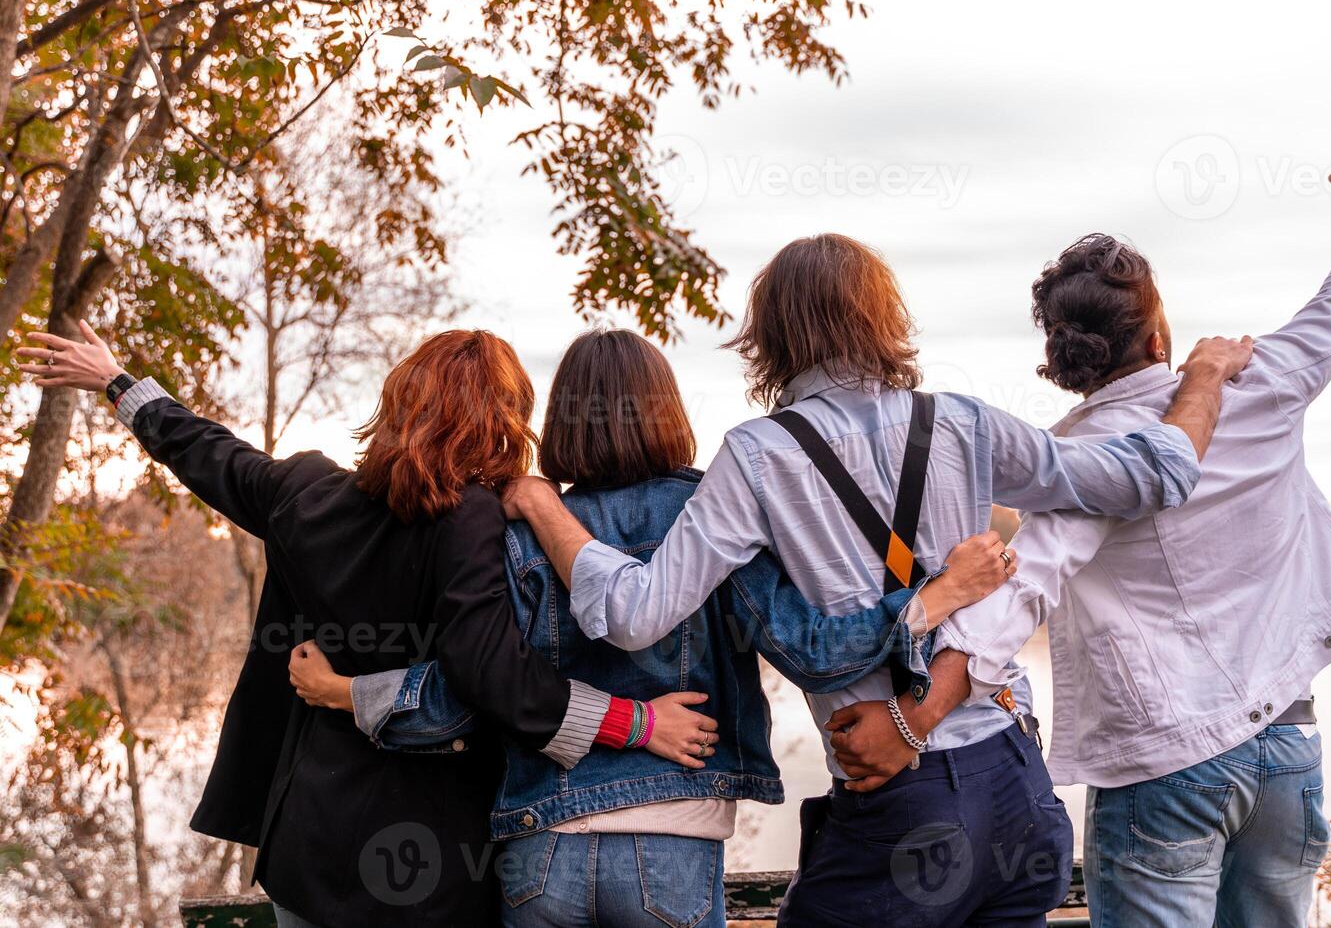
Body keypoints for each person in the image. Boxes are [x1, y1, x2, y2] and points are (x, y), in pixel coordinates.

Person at [499, 235, 1254, 926]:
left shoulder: (758, 456)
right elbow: (1155, 473)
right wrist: (1203, 379)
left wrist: (541, 503)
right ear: (878, 316)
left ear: (772, 335)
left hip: (900, 797)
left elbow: (633, 615)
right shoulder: (961, 421)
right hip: (1020, 782)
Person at [828, 139, 1331, 927]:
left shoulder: (1074, 463)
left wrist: (914, 721)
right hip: (1287, 746)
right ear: (1156, 337)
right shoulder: (1259, 381)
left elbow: (1021, 588)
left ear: (1065, 357)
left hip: (1163, 766)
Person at [287, 328, 1014, 927]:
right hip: (673, 844)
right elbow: (811, 652)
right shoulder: (714, 517)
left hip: (542, 850)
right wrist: (932, 598)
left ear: (560, 422)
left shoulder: (524, 532)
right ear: (665, 410)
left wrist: (350, 693)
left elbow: (475, 689)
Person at [16, 328, 721, 927]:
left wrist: (116, 382)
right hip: (435, 865)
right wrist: (633, 722)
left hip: (308, 846)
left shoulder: (305, 493)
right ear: (503, 419)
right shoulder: (472, 518)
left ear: (397, 402)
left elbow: (209, 454)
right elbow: (492, 676)